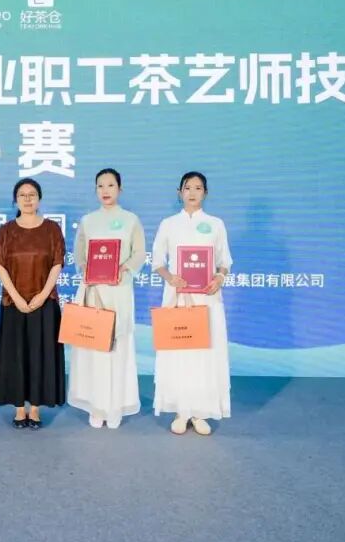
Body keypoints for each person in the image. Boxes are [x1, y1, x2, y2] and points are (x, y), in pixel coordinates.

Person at [151, 171, 233, 435]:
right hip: (177, 297)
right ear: (180, 192)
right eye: (188, 188)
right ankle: (181, 411)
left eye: (198, 188)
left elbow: (225, 261)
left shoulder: (216, 224)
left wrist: (219, 277)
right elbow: (157, 261)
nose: (193, 193)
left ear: (205, 193)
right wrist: (170, 278)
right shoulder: (169, 224)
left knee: (205, 353)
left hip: (207, 298)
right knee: (179, 353)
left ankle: (200, 412)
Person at [67, 168, 145, 429]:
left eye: (110, 185)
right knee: (94, 348)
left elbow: (139, 253)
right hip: (93, 291)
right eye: (100, 186)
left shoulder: (131, 220)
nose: (105, 190)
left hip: (119, 291)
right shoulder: (88, 221)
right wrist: (85, 269)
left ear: (120, 189)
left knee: (117, 346)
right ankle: (96, 406)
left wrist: (125, 268)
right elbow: (79, 254)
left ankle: (115, 406)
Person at [0, 179, 66, 429]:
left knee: (39, 355)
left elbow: (57, 263)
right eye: (22, 195)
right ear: (15, 200)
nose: (27, 199)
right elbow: (0, 265)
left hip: (44, 303)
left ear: (39, 198)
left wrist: (42, 295)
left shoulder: (52, 229)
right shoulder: (6, 231)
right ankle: (19, 409)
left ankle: (34, 408)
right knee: (16, 355)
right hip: (13, 303)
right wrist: (16, 296)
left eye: (32, 194)